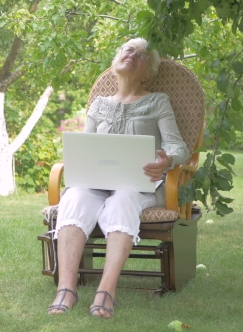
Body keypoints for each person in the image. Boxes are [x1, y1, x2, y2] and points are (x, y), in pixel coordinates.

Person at [47, 38, 190, 318]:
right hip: (96, 183)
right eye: (129, 50)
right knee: (74, 197)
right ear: (116, 60)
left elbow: (179, 147)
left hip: (138, 186)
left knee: (121, 200)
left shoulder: (158, 101)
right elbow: (85, 147)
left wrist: (167, 161)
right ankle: (66, 289)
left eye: (142, 55)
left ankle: (106, 293)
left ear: (148, 71)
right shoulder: (99, 105)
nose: (134, 55)